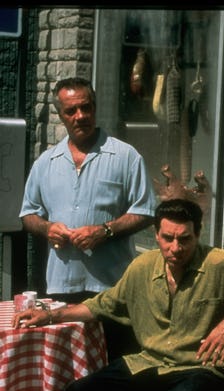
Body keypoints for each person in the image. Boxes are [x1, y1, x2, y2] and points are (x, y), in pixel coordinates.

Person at [13, 198, 224, 391]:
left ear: (198, 234)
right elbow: (101, 306)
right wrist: (49, 315)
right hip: (148, 363)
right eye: (168, 238)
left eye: (185, 239)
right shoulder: (143, 266)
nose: (176, 248)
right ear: (156, 235)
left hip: (200, 367)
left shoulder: (221, 264)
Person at [19, 77, 156, 360]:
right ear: (61, 115)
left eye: (86, 107)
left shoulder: (125, 157)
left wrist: (105, 230)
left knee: (117, 366)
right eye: (71, 111)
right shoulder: (47, 162)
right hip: (62, 288)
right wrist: (47, 228)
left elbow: (146, 211)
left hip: (113, 288)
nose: (80, 116)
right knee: (69, 368)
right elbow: (28, 214)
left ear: (94, 107)